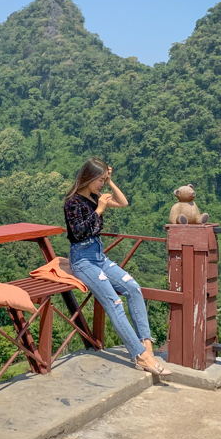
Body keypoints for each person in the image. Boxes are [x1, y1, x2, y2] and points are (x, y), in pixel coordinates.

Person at [63, 158, 171, 376]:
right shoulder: (72, 202)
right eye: (100, 180)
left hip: (99, 256)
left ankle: (146, 345)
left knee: (134, 288)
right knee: (114, 302)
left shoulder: (94, 197)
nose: (102, 184)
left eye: (104, 180)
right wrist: (100, 209)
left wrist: (111, 182)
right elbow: (78, 233)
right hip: (82, 260)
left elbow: (123, 203)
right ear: (89, 177)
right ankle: (140, 356)